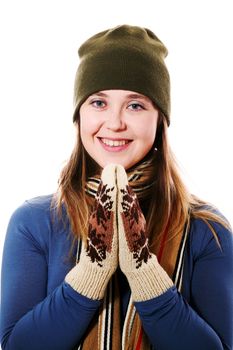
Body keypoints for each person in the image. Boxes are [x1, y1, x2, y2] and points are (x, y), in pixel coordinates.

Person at [0, 24, 232, 350]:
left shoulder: (207, 229)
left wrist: (143, 272)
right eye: (98, 103)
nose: (114, 122)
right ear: (79, 115)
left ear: (159, 120)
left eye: (135, 105)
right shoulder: (34, 222)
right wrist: (92, 272)